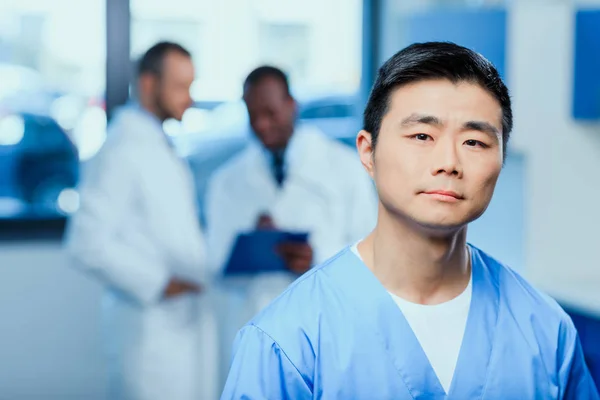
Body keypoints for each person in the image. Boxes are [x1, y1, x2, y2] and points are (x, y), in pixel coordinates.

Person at [220, 42, 599, 399]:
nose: (448, 162)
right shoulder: (286, 341)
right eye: (422, 135)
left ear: (501, 160)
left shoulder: (545, 331)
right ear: (368, 152)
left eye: (475, 142)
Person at [205, 65, 377, 374]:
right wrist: (252, 246)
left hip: (321, 328)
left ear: (291, 106)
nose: (261, 124)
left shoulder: (345, 168)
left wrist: (317, 258)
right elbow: (216, 264)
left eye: (270, 113)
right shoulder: (227, 181)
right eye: (252, 115)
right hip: (254, 324)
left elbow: (374, 255)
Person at [65, 42, 209, 400]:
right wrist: (160, 282)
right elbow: (85, 243)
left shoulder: (157, 143)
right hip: (148, 335)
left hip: (178, 330)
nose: (188, 99)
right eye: (179, 87)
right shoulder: (121, 149)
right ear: (148, 84)